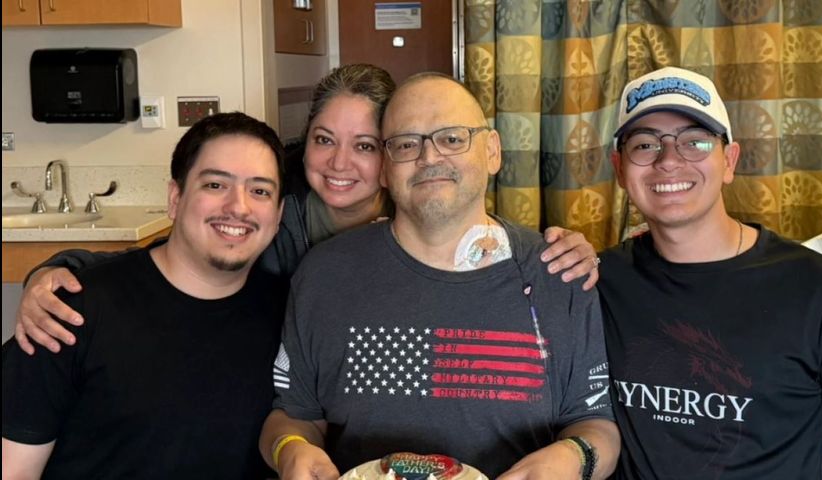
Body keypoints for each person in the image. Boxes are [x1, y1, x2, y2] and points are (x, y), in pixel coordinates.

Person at [12, 64, 601, 356]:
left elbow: (490, 256)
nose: (339, 163)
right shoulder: (268, 215)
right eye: (324, 140)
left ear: (393, 155)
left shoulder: (426, 219)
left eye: (365, 146)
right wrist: (58, 270)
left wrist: (567, 252)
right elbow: (167, 261)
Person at [258, 73, 620, 480]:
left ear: (493, 151)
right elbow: (292, 415)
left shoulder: (559, 271)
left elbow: (596, 425)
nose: (429, 157)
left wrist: (574, 458)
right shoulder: (322, 275)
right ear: (385, 167)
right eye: (406, 144)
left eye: (452, 138)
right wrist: (289, 449)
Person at [2, 112, 288, 478]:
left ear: (278, 214)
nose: (238, 207)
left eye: (260, 191)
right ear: (175, 198)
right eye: (215, 185)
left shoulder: (290, 315)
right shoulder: (68, 312)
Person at [597, 66, 822, 478]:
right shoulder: (598, 280)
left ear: (729, 160)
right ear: (620, 168)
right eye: (645, 145)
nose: (669, 160)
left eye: (695, 142)